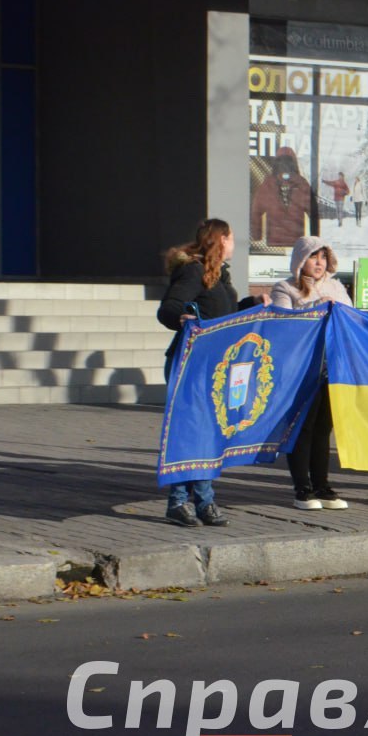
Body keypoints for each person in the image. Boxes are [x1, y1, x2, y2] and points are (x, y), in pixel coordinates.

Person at [156, 218, 242, 528]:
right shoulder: (193, 270)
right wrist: (178, 317)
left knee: (207, 434)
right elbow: (169, 306)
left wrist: (253, 303)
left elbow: (223, 313)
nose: (234, 244)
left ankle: (203, 502)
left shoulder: (219, 275)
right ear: (220, 241)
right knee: (191, 433)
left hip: (214, 365)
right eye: (231, 239)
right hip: (190, 362)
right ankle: (180, 502)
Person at [270, 236, 354, 511]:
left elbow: (353, 321)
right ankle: (302, 488)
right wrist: (315, 308)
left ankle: (323, 485)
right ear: (300, 260)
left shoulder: (336, 286)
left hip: (332, 369)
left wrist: (338, 308)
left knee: (323, 429)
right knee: (302, 428)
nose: (319, 263)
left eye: (323, 257)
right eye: (313, 257)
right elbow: (282, 325)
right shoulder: (285, 287)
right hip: (300, 370)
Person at [250, 146, 311, 247]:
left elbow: (256, 211)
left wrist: (257, 236)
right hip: (296, 242)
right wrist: (315, 235)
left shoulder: (268, 183)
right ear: (294, 163)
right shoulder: (302, 183)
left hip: (275, 241)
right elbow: (313, 213)